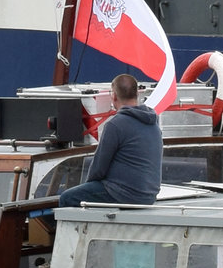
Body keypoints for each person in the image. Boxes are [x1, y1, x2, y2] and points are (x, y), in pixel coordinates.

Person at [59, 74, 162, 208]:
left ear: (113, 96)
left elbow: (98, 168)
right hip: (148, 195)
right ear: (137, 93)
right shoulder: (154, 123)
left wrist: (88, 187)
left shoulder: (115, 125)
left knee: (67, 198)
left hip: (125, 194)